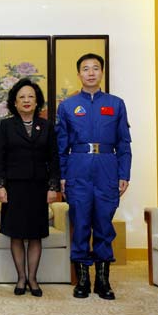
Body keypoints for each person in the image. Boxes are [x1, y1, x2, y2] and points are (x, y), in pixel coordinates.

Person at [55, 53, 132, 300]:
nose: (90, 72)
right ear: (79, 74)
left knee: (103, 224)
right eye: (85, 69)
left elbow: (124, 143)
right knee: (80, 224)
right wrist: (63, 176)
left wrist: (124, 173)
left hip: (107, 167)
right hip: (78, 167)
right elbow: (61, 146)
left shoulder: (116, 104)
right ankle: (83, 280)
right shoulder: (67, 106)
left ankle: (103, 280)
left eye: (95, 68)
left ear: (102, 73)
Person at [0, 79, 59, 297]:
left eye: (30, 96)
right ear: (15, 102)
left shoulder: (47, 126)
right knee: (17, 235)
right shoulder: (6, 126)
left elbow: (54, 159)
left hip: (39, 188)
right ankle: (21, 277)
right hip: (14, 188)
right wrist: (0, 187)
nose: (27, 100)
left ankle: (33, 279)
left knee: (36, 235)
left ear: (37, 100)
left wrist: (52, 187)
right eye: (22, 97)